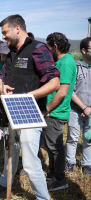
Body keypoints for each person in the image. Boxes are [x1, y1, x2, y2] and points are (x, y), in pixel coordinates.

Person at [0, 14, 60, 200]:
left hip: (30, 113)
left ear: (17, 29)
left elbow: (54, 82)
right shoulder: (12, 53)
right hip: (11, 112)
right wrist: (1, 87)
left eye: (5, 32)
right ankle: (4, 184)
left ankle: (42, 197)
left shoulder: (38, 49)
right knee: (10, 151)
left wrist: (28, 97)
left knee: (29, 162)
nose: (3, 37)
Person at [44, 32, 77, 191]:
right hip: (54, 112)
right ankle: (52, 174)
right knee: (51, 147)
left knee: (56, 148)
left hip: (55, 113)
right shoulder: (64, 60)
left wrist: (47, 109)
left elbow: (62, 92)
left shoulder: (65, 62)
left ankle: (59, 180)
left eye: (48, 47)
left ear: (55, 46)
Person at [66, 37, 91, 176]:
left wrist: (89, 109)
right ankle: (70, 162)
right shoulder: (75, 67)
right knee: (72, 138)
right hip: (75, 109)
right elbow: (70, 90)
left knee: (89, 138)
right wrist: (83, 108)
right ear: (83, 50)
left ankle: (87, 163)